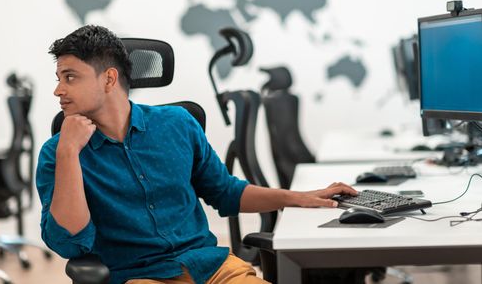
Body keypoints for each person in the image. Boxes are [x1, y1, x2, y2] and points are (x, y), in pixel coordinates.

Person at [36, 25, 357, 284]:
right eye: (59, 79)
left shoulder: (177, 124)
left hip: (212, 268)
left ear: (109, 79)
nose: (58, 90)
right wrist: (68, 152)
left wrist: (299, 197)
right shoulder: (58, 153)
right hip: (141, 277)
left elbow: (226, 192)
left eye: (70, 77)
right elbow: (69, 242)